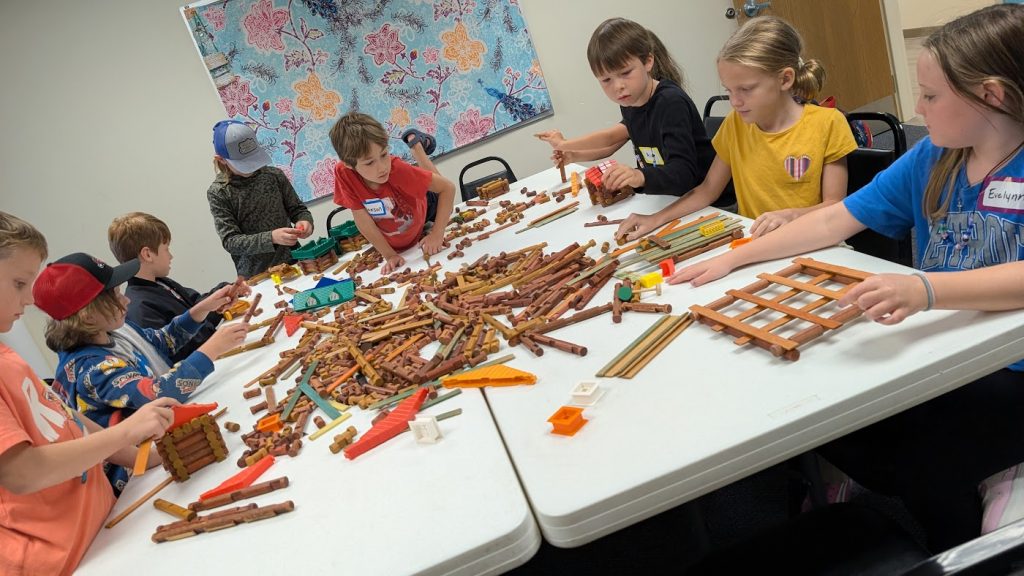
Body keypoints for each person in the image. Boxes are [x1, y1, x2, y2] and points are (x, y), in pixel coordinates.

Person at [673, 4, 1024, 552]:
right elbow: (835, 218)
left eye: (930, 96)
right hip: (941, 346)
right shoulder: (934, 157)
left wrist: (927, 289)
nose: (917, 107)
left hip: (1008, 363)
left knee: (924, 459)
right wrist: (738, 257)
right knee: (838, 423)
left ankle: (967, 526)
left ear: (992, 96)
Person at [0, 211, 180, 576]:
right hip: (66, 561)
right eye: (19, 283)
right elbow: (22, 472)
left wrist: (142, 457)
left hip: (105, 527)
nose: (29, 299)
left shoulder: (8, 357)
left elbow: (69, 420)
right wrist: (127, 432)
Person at [615, 16, 857, 241]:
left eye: (746, 89)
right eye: (729, 90)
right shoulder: (735, 124)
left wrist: (790, 216)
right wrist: (655, 219)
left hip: (814, 241)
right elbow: (708, 190)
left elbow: (835, 206)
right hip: (758, 243)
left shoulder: (828, 123)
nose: (734, 102)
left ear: (785, 79)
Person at [535, 18, 715, 198]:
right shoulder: (631, 103)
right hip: (672, 198)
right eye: (606, 80)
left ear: (648, 61)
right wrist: (574, 155)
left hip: (707, 200)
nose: (618, 86)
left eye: (626, 73)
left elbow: (684, 174)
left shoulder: (670, 102)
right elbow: (611, 142)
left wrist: (639, 176)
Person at [109, 212, 252, 364]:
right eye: (166, 249)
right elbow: (177, 353)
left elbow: (196, 304)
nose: (171, 256)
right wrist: (217, 335)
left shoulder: (161, 282)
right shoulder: (141, 308)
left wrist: (223, 293)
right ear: (147, 254)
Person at [330, 112, 456, 274]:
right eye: (369, 162)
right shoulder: (344, 173)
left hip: (424, 205)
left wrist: (437, 233)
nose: (382, 168)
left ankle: (417, 148)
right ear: (349, 164)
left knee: (444, 205)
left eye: (384, 154)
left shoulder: (397, 169)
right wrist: (389, 255)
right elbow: (361, 217)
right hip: (398, 212)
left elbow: (448, 188)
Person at [206, 120, 315, 278]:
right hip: (257, 275)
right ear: (221, 159)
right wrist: (271, 238)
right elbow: (230, 241)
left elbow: (298, 210)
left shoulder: (273, 175)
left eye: (252, 159)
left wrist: (304, 221)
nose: (251, 167)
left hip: (295, 261)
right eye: (243, 163)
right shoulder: (219, 192)